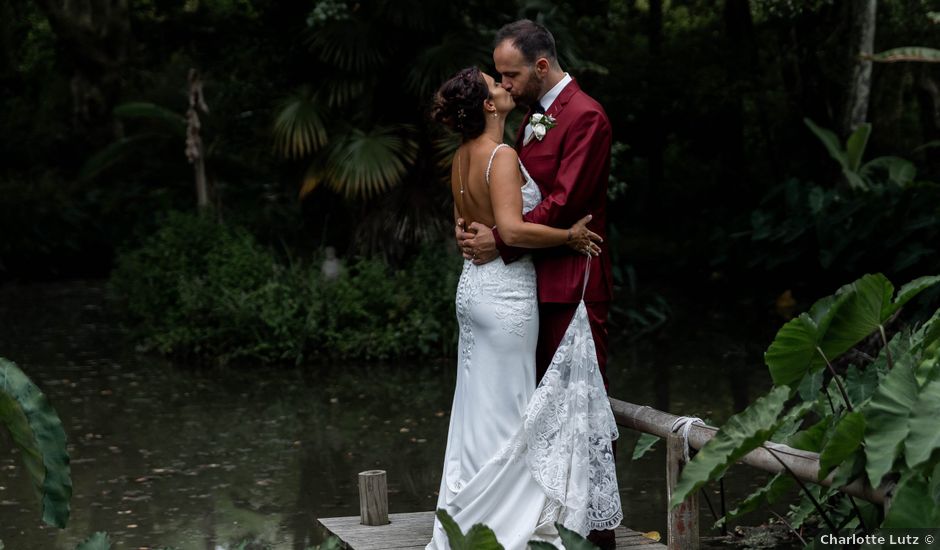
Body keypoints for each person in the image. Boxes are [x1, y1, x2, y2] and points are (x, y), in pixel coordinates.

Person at [426, 63, 621, 550]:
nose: (504, 83)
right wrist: (569, 235)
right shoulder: (503, 153)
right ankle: (506, 522)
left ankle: (468, 516)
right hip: (507, 295)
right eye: (496, 83)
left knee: (476, 408)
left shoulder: (460, 158)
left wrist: (473, 236)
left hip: (472, 290)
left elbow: (465, 227)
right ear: (489, 105)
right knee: (513, 409)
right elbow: (511, 232)